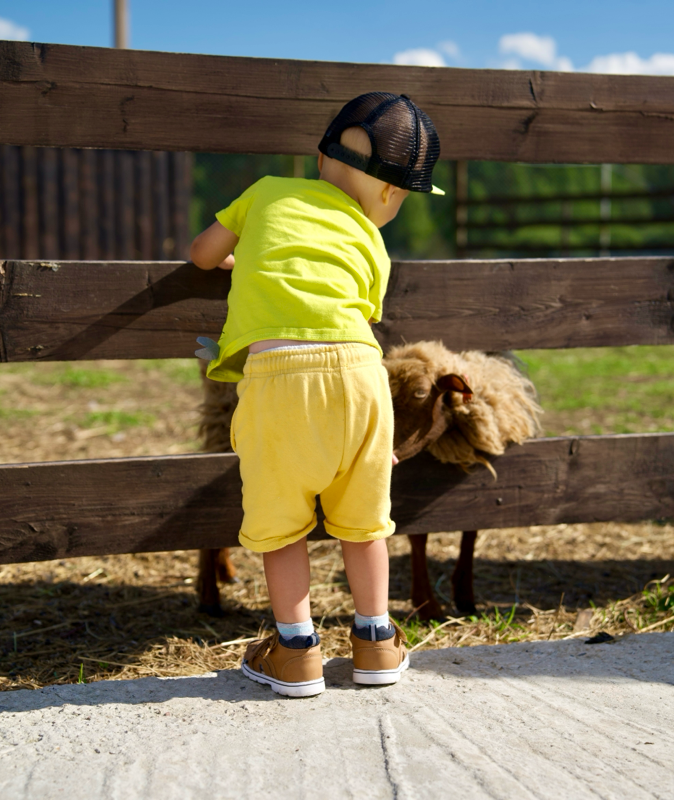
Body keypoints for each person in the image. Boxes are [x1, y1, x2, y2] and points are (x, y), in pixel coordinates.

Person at [189, 92, 443, 697]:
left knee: (282, 522)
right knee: (364, 523)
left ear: (323, 154)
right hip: (362, 376)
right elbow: (357, 312)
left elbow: (201, 254)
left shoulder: (266, 191)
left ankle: (296, 652)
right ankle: (377, 642)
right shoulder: (371, 238)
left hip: (280, 384)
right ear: (392, 194)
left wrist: (239, 259)